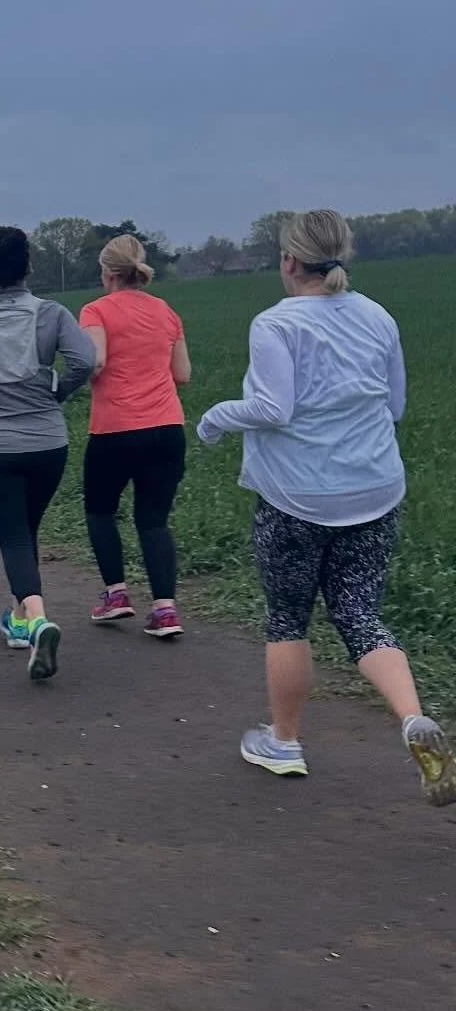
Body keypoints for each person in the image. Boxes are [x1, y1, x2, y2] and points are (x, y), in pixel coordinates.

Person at [196, 208, 454, 804]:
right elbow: (393, 407)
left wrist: (215, 418)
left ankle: (284, 742)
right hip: (375, 489)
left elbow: (273, 409)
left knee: (289, 617)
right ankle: (414, 719)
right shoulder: (378, 316)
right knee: (360, 610)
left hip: (296, 498)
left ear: (288, 260)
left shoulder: (275, 325)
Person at [0, 225, 96, 682]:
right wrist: (56, 390)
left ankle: (38, 619)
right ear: (29, 266)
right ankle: (16, 618)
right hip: (48, 442)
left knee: (14, 535)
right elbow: (85, 361)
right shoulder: (53, 313)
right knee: (24, 530)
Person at [79, 234, 192, 638]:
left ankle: (116, 594)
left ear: (107, 273)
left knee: (100, 510)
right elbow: (183, 374)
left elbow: (96, 362)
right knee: (154, 520)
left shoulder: (96, 310)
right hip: (166, 429)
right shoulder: (167, 311)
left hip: (115, 429)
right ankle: (165, 610)